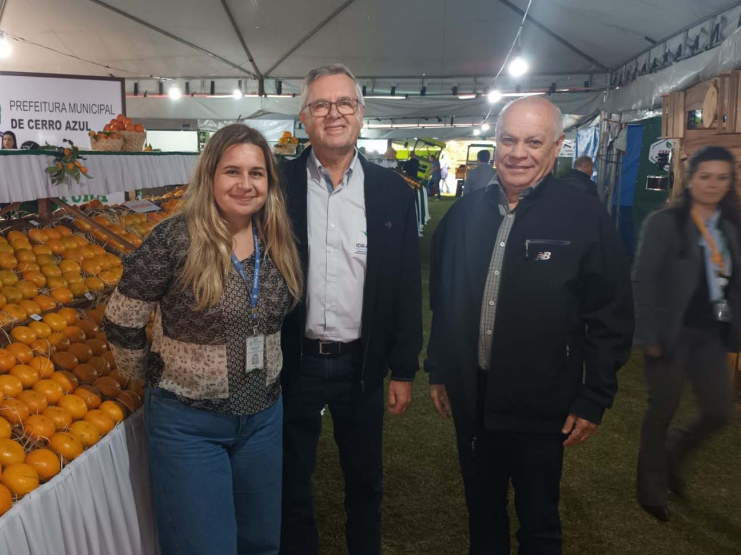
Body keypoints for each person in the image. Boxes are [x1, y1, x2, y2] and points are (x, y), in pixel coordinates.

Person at [426, 96, 634, 555]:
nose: (518, 152)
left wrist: (595, 394)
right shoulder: (465, 214)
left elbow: (610, 313)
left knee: (539, 523)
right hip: (474, 398)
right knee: (483, 514)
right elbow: (445, 295)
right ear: (496, 143)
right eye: (509, 139)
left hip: (542, 405)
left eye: (533, 141)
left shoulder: (582, 217)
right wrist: (439, 367)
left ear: (556, 146)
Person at [104, 123, 302, 555]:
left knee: (260, 544)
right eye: (232, 171)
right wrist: (151, 376)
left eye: (257, 173)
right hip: (189, 424)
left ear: (269, 181)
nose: (245, 184)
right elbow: (121, 319)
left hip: (262, 417)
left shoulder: (277, 239)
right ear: (210, 174)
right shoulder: (174, 239)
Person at [279, 63, 422, 555]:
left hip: (361, 364)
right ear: (304, 117)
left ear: (361, 114)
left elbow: (406, 283)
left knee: (365, 480)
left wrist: (403, 367)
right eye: (320, 104)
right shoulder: (277, 185)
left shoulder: (391, 193)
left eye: (344, 104)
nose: (333, 113)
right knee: (290, 480)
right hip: (292, 361)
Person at [633, 146, 741, 522]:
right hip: (670, 332)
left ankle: (671, 458)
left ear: (730, 183)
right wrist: (648, 334)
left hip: (711, 334)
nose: (713, 184)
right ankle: (651, 489)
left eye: (722, 177)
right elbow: (643, 280)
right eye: (705, 176)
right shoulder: (664, 223)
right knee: (661, 410)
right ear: (690, 179)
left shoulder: (732, 225)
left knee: (719, 411)